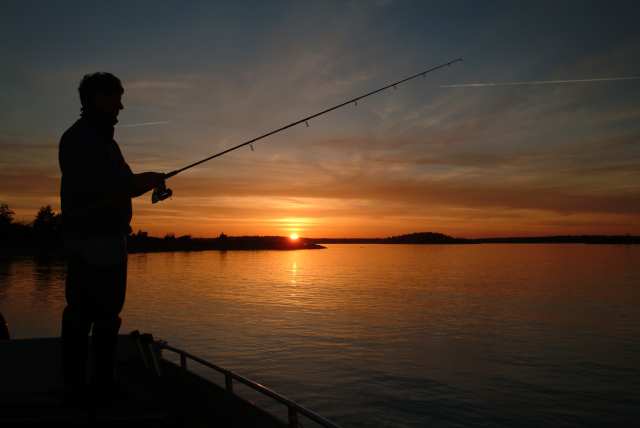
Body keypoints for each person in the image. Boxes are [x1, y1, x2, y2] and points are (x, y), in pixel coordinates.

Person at [58, 72, 164, 400]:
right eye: (116, 98)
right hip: (95, 241)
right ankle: (92, 387)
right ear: (98, 99)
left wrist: (147, 180)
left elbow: (122, 185)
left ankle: (86, 384)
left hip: (100, 240)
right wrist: (148, 180)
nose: (121, 106)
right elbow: (117, 185)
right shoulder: (84, 140)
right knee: (95, 316)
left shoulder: (101, 140)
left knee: (92, 314)